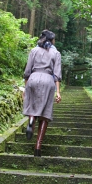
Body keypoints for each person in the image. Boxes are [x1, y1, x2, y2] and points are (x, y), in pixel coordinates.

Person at [23, 29, 62, 157]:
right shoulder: (56, 53)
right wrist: (58, 92)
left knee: (32, 106)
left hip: (33, 79)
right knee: (45, 114)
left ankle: (31, 120)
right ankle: (38, 148)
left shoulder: (34, 51)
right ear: (51, 40)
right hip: (47, 81)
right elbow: (57, 75)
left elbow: (27, 71)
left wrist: (26, 88)